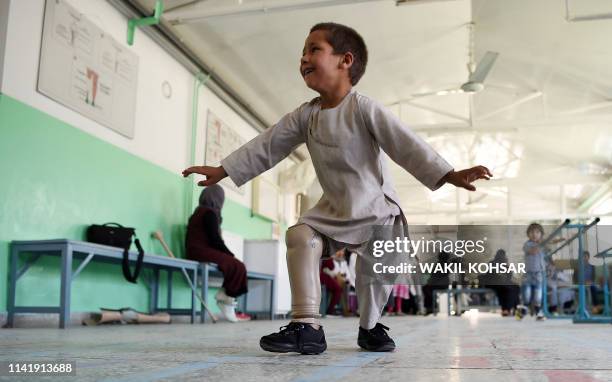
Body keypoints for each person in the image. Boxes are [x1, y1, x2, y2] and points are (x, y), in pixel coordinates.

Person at [183, 22, 491, 354]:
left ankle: (370, 327)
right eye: (302, 52)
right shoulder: (305, 115)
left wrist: (448, 174)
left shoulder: (364, 108)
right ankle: (308, 326)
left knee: (378, 275)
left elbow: (406, 144)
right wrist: (225, 169)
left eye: (313, 49)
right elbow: (268, 144)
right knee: (300, 236)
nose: (303, 58)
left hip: (377, 213)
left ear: (345, 60)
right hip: (334, 211)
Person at [185, 185, 248, 322]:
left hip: (196, 250)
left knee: (237, 265)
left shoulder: (199, 211)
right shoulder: (209, 213)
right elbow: (215, 240)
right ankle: (226, 299)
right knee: (238, 266)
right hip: (200, 251)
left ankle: (225, 296)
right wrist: (230, 255)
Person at [478, 249, 520, 317]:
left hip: (500, 284)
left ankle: (513, 307)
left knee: (515, 288)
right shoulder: (493, 263)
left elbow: (509, 276)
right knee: (506, 289)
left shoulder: (504, 265)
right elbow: (492, 275)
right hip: (494, 284)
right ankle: (507, 309)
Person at [519, 223, 547, 321]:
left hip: (539, 273)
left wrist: (560, 239)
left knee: (538, 295)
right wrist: (541, 243)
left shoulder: (542, 244)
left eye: (537, 232)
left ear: (541, 234)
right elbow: (533, 251)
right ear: (528, 234)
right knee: (526, 295)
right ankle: (523, 311)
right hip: (528, 273)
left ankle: (539, 313)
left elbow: (551, 242)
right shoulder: (527, 244)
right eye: (532, 232)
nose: (534, 234)